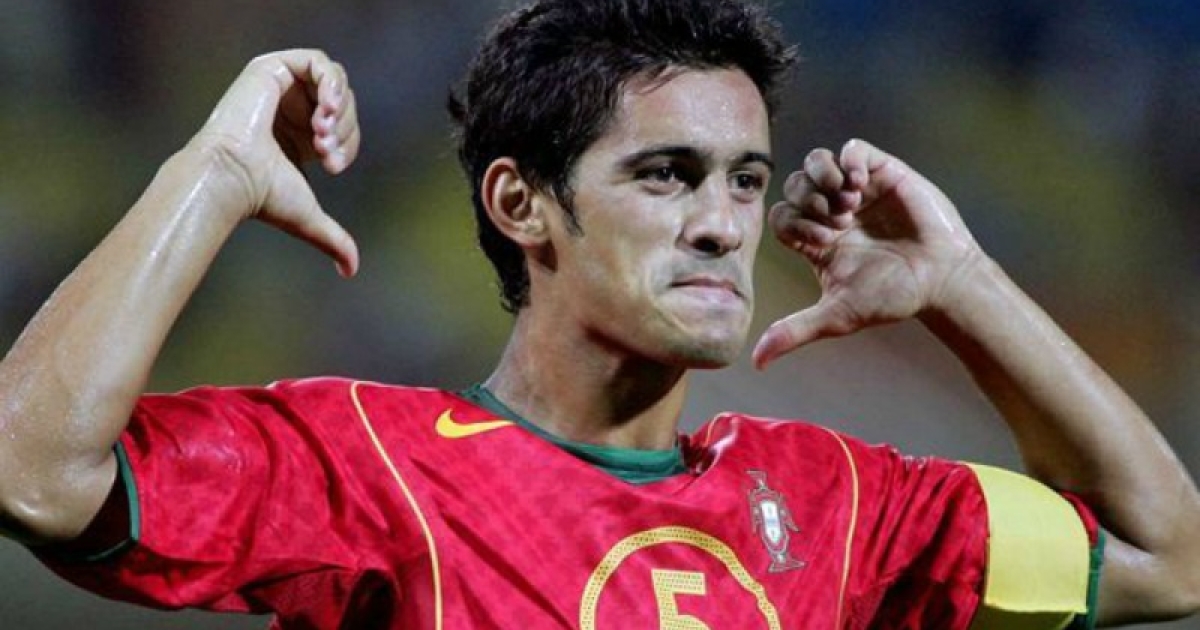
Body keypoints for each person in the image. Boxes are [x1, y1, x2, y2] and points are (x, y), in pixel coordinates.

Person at [1, 0, 1198, 627]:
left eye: (745, 180)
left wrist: (967, 285)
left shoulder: (836, 508)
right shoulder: (368, 469)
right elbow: (32, 472)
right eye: (667, 175)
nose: (724, 223)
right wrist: (212, 174)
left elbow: (1168, 559)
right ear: (521, 204)